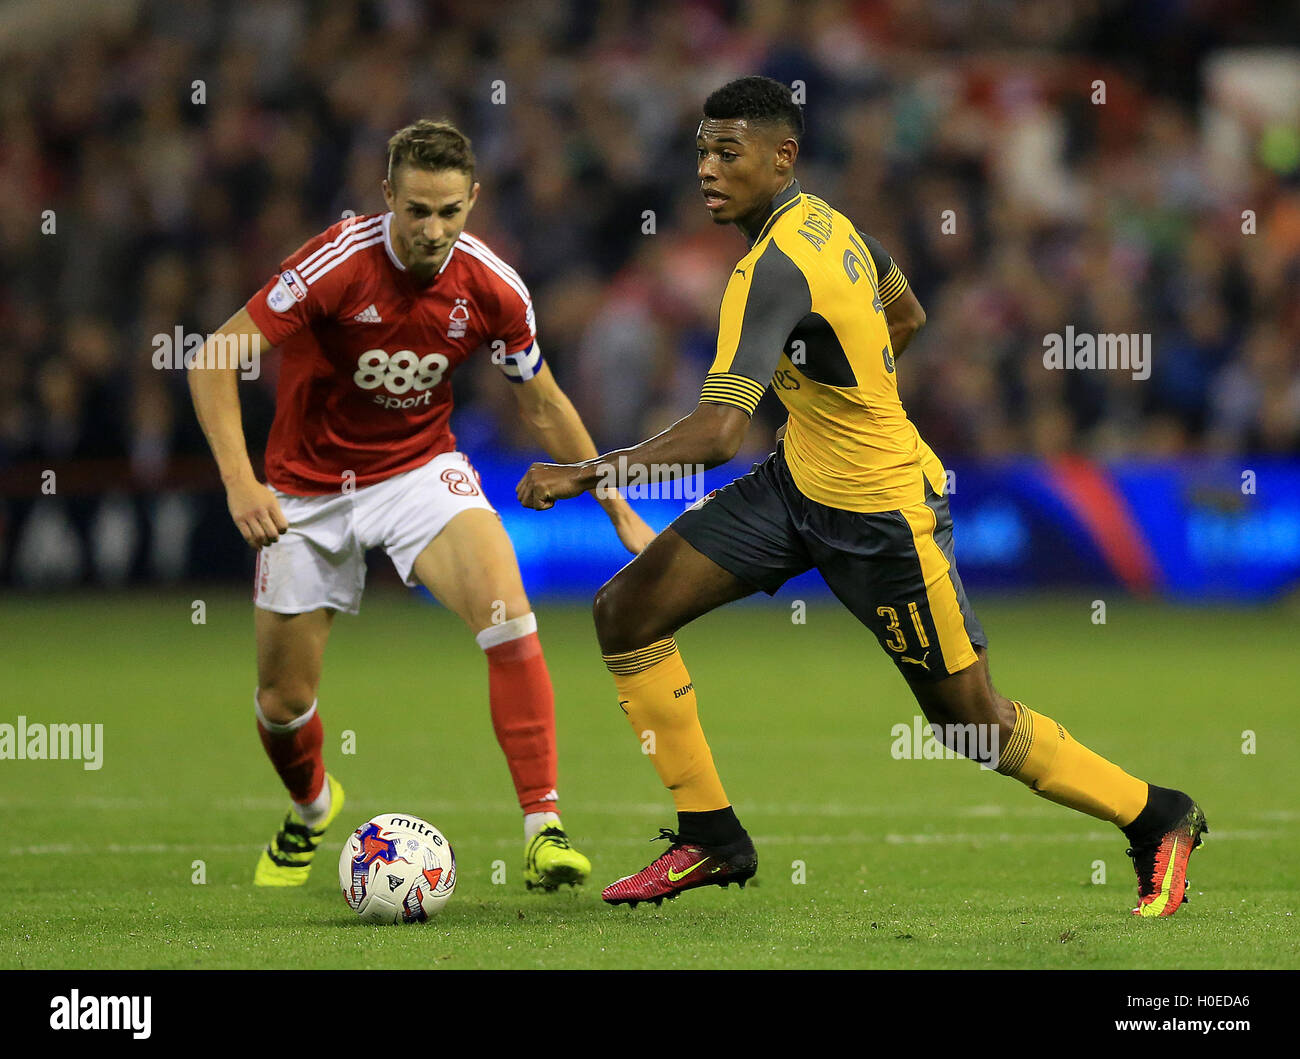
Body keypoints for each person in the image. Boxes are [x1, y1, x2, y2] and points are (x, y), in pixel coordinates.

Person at [517, 77, 1207, 916]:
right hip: (798, 481)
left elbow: (716, 435)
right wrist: (841, 392)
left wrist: (583, 472)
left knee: (970, 723)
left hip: (884, 515)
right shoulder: (830, 224)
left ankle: (1155, 814)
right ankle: (711, 835)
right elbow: (904, 311)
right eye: (702, 149)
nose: (707, 167)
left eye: (728, 152)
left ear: (783, 157)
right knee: (626, 609)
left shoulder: (771, 269)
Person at [189, 118, 654, 891]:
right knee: (282, 700)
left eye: (449, 211)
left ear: (472, 199)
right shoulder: (332, 265)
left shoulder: (494, 286)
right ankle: (311, 807)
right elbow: (213, 359)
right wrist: (243, 482)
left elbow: (542, 404)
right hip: (305, 489)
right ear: (387, 199)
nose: (433, 229)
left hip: (417, 471)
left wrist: (612, 500)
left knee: (509, 610)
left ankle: (545, 827)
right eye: (416, 211)